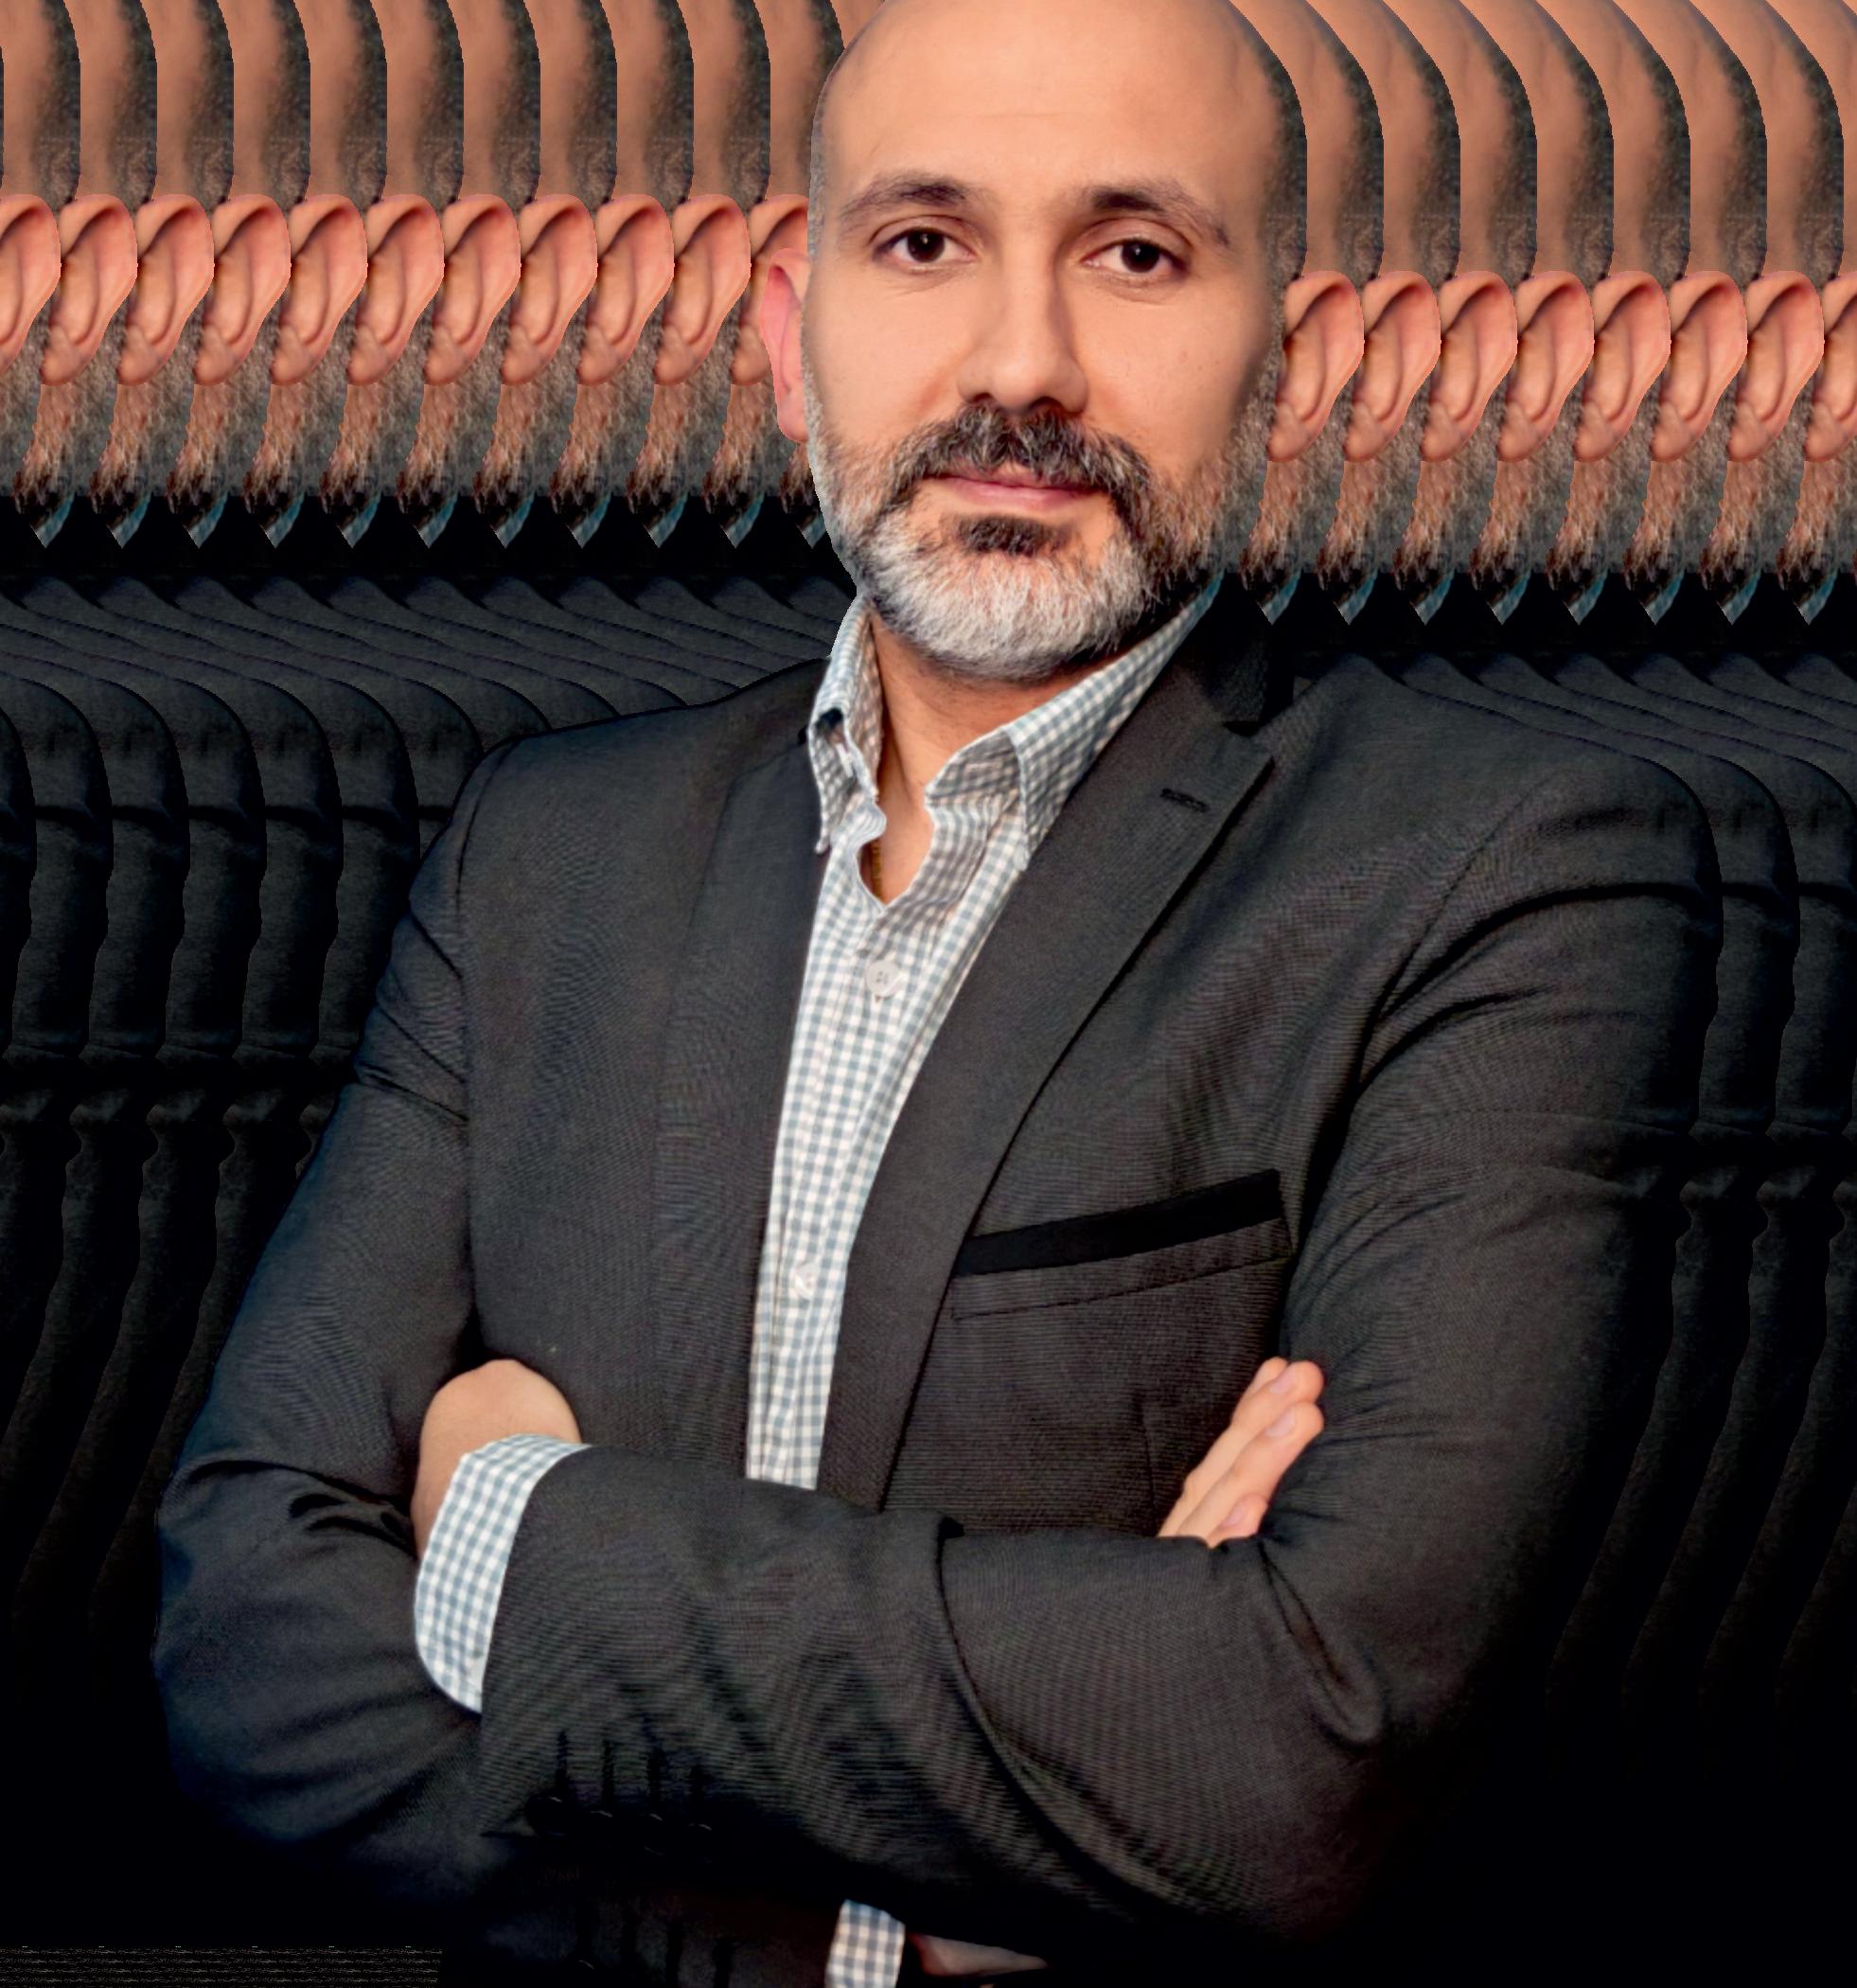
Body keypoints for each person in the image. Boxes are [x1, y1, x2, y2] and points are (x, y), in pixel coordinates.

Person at [153, 1, 1717, 1983]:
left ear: (1288, 350)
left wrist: (514, 1524)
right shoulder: (544, 853)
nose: (1019, 363)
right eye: (923, 241)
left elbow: (1290, 1758)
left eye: (1134, 251)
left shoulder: (1506, 871)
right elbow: (243, 1631)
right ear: (785, 325)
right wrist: (868, 1922)